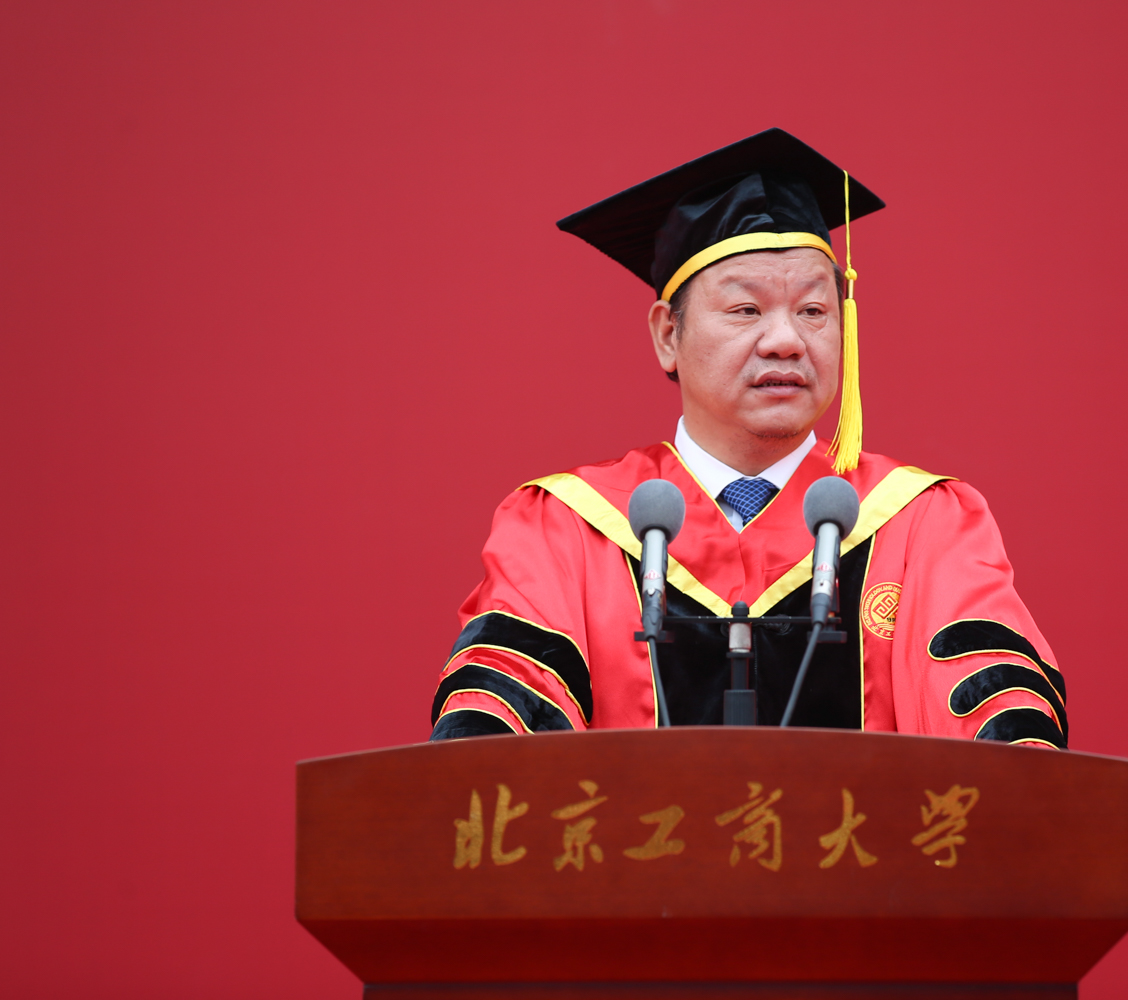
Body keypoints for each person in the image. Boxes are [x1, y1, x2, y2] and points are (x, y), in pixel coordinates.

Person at [429, 129, 1067, 748]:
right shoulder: (566, 529)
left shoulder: (922, 525)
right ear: (668, 335)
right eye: (746, 310)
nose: (786, 340)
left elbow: (994, 722)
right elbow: (498, 730)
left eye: (813, 311)